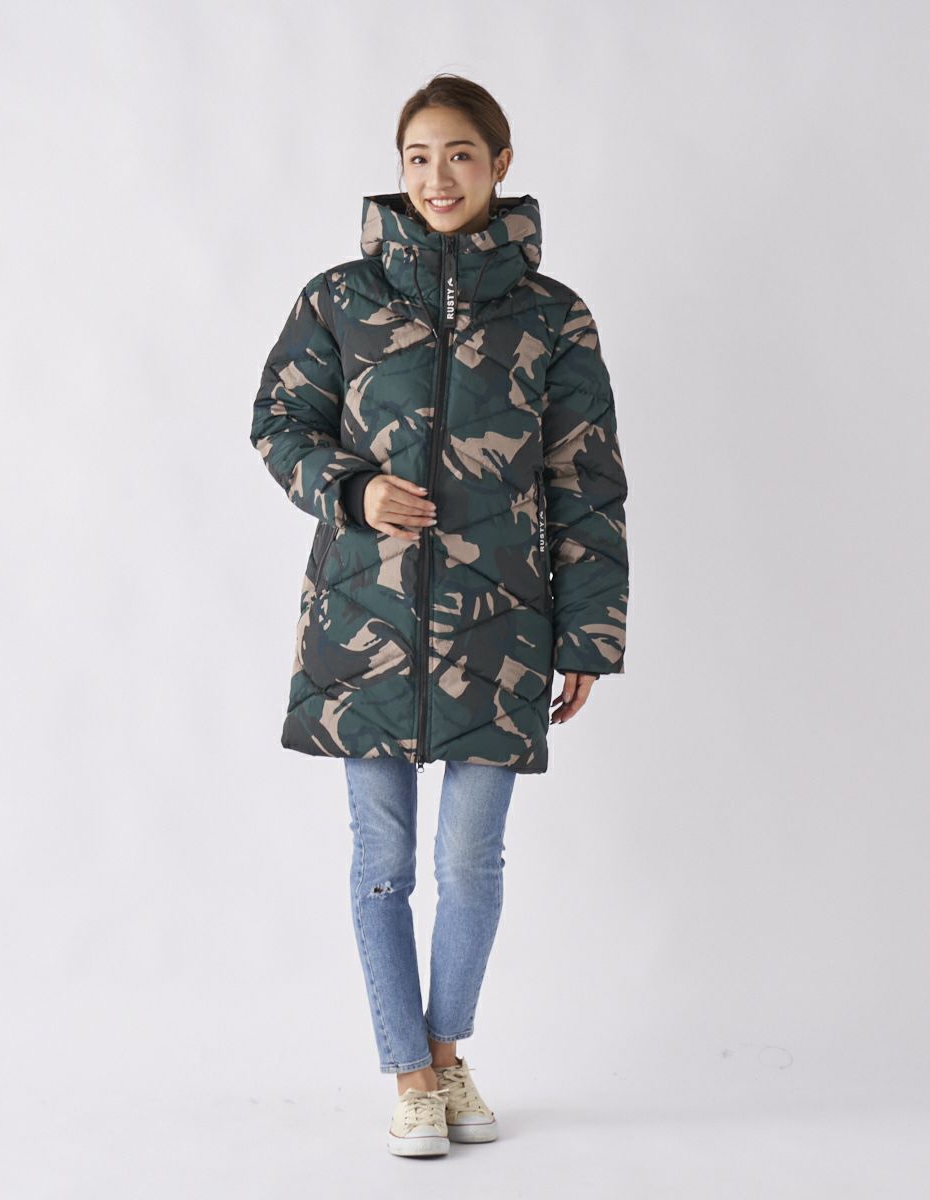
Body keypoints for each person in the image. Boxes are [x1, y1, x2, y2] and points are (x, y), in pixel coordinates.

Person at [250, 73, 629, 1157]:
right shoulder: (339, 299)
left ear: (500, 164)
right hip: (362, 622)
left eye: (459, 154)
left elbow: (584, 479)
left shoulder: (553, 317)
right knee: (381, 861)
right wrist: (354, 490)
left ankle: (448, 1049)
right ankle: (412, 1076)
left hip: (498, 629)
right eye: (417, 157)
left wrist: (588, 635)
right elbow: (279, 419)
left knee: (471, 866)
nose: (437, 176)